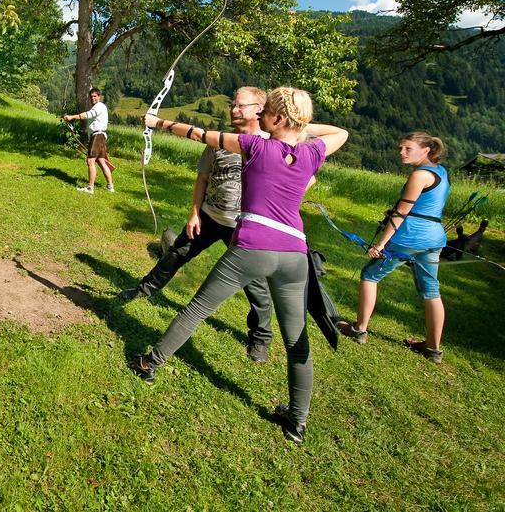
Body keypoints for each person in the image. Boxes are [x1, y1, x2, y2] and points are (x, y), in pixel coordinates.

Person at [131, 87, 349, 445]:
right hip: (295, 254)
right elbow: (341, 133)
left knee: (199, 308)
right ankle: (297, 423)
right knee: (296, 341)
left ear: (277, 119)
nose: (259, 119)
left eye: (266, 115)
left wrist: (158, 123)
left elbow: (197, 134)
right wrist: (300, 127)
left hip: (253, 245)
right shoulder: (311, 152)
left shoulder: (257, 146)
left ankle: (149, 363)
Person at [121, 87, 276, 364]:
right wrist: (194, 213)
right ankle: (144, 289)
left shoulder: (270, 145)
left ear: (259, 110)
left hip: (244, 229)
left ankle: (260, 337)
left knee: (256, 285)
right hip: (208, 216)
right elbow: (202, 179)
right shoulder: (219, 140)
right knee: (176, 254)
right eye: (232, 104)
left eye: (240, 106)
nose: (233, 109)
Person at [339, 132, 449, 364]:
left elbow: (402, 212)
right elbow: (423, 206)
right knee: (431, 290)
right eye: (401, 148)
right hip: (434, 237)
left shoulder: (419, 175)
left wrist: (380, 244)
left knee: (370, 275)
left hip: (409, 238)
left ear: (426, 150)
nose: (401, 152)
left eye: (408, 148)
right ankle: (432, 349)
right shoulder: (441, 171)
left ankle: (359, 329)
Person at [64, 88, 114, 193]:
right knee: (101, 161)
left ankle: (90, 187)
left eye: (95, 96)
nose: (93, 98)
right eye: (91, 97)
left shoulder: (99, 106)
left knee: (90, 161)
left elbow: (87, 115)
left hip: (97, 136)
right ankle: (110, 187)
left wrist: (72, 117)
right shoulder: (98, 107)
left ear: (99, 97)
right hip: (99, 136)